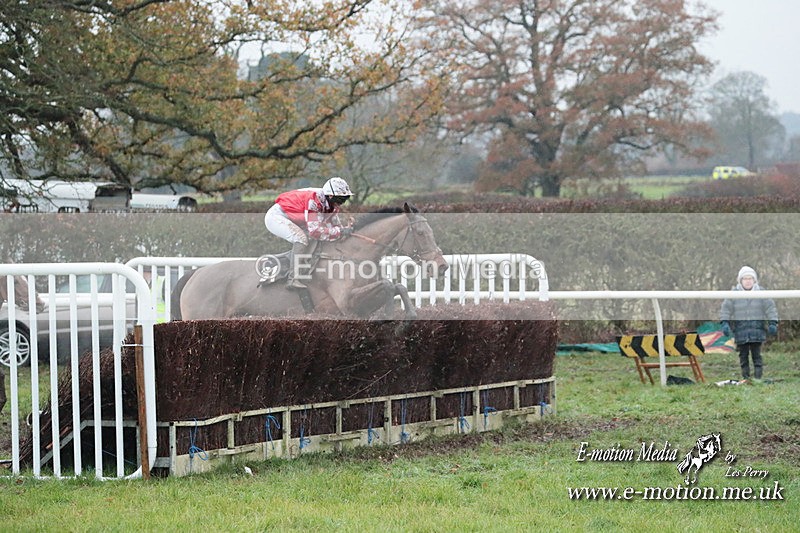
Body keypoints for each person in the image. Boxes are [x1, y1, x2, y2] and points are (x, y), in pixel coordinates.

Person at [264, 177, 354, 289]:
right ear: (330, 196)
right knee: (301, 238)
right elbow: (315, 231)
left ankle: (279, 260)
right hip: (276, 216)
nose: (341, 203)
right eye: (340, 199)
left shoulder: (331, 204)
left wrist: (346, 230)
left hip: (294, 217)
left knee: (311, 238)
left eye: (345, 199)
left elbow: (335, 228)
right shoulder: (314, 201)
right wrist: (341, 231)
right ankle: (292, 279)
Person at [720, 266, 778, 381]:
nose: (747, 281)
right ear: (740, 280)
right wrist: (724, 323)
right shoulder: (733, 294)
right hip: (741, 331)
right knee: (743, 356)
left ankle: (757, 378)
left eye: (750, 278)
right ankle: (746, 378)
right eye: (745, 278)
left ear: (754, 280)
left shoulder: (762, 293)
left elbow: (770, 308)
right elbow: (725, 309)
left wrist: (773, 322)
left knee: (757, 356)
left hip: (757, 331)